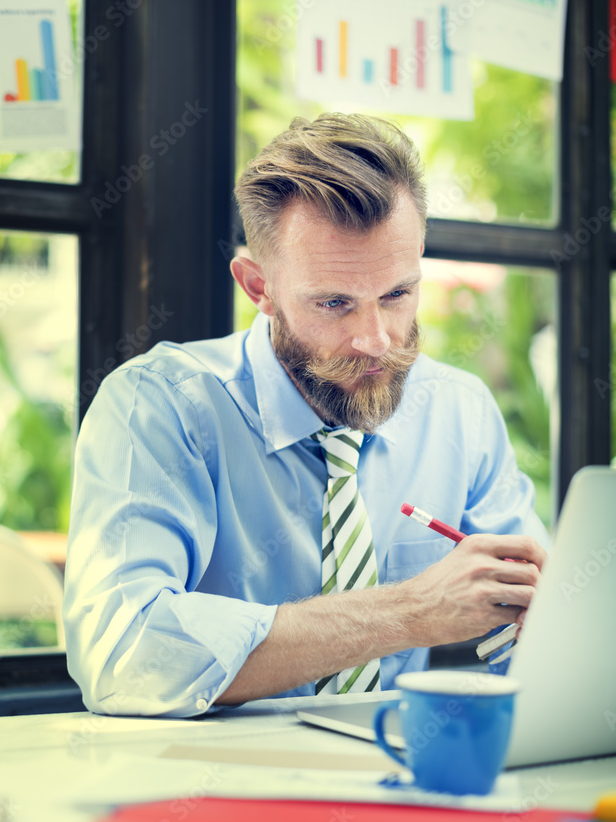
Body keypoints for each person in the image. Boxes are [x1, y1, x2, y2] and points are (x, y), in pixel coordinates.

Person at [63, 112, 549, 718]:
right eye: (334, 303)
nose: (376, 339)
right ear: (257, 285)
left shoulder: (459, 410)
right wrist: (413, 612)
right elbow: (124, 655)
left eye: (397, 294)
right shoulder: (160, 405)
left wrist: (543, 618)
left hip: (403, 773)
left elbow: (544, 624)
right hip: (211, 790)